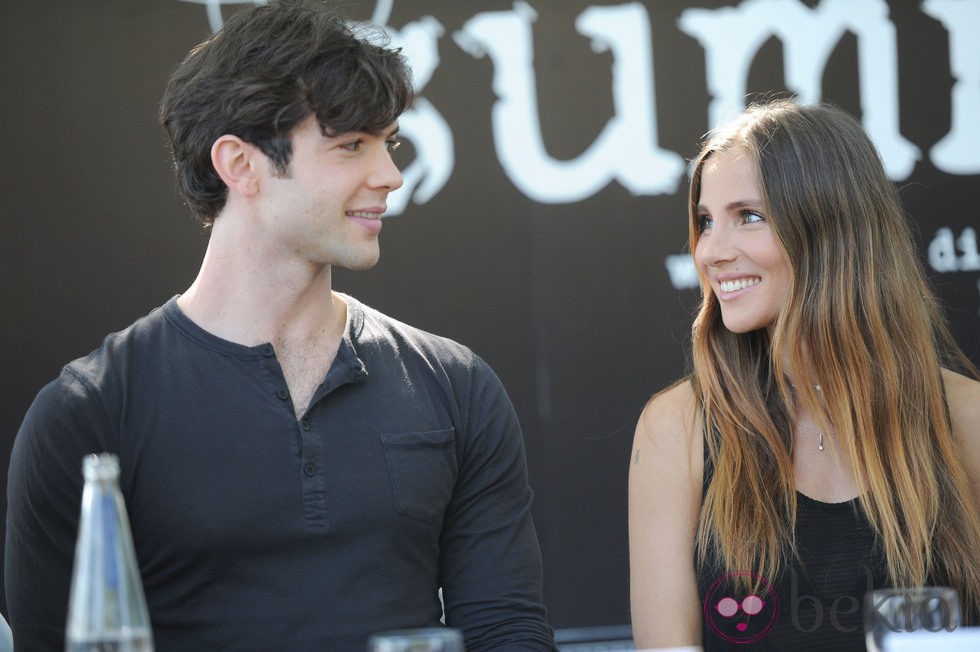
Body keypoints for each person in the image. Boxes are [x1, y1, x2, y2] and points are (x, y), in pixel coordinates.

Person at [5, 2, 556, 650]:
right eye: (351, 145)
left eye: (389, 143)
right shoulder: (89, 415)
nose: (390, 175)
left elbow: (506, 632)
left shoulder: (457, 387)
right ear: (240, 165)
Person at [628, 99, 980, 650]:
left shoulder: (966, 417)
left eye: (749, 216)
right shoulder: (675, 428)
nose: (711, 252)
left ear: (831, 229)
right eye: (704, 221)